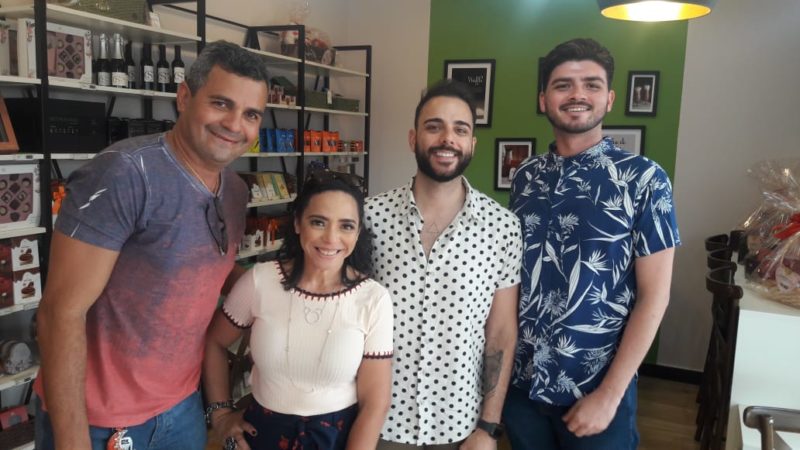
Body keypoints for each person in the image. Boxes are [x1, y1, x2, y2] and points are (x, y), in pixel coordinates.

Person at [34, 40, 269, 450]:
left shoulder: (234, 190)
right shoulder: (124, 173)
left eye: (251, 114)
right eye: (221, 103)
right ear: (184, 97)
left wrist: (286, 288)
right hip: (100, 421)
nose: (235, 124)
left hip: (181, 409)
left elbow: (201, 269)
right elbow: (60, 313)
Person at [503, 38, 681, 450]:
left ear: (609, 98)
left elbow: (655, 296)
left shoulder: (644, 179)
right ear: (543, 99)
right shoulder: (526, 176)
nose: (577, 94)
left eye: (592, 84)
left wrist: (610, 396)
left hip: (596, 389)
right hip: (522, 386)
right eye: (563, 85)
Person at [365, 80, 523, 449]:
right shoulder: (369, 217)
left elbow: (501, 333)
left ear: (472, 144)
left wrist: (489, 427)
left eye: (460, 129)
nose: (447, 138)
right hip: (377, 423)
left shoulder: (502, 227)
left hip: (459, 428)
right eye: (434, 126)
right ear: (413, 138)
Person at [203, 170, 394, 450]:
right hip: (260, 434)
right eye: (318, 222)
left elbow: (375, 402)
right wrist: (220, 414)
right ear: (297, 223)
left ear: (357, 233)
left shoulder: (373, 299)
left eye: (346, 226)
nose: (331, 238)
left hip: (336, 438)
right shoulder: (260, 281)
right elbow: (215, 342)